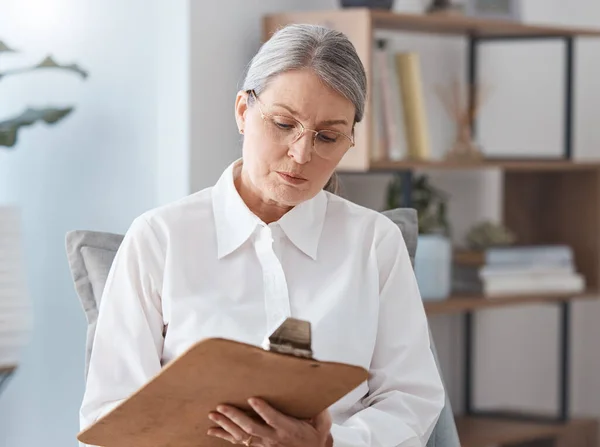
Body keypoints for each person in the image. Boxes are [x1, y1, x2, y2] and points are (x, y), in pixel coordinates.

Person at [80, 23, 445, 447]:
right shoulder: (160, 239)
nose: (301, 154)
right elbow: (109, 413)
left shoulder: (374, 243)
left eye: (327, 137)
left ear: (349, 140)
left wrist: (327, 445)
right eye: (283, 124)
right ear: (242, 111)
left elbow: (412, 398)